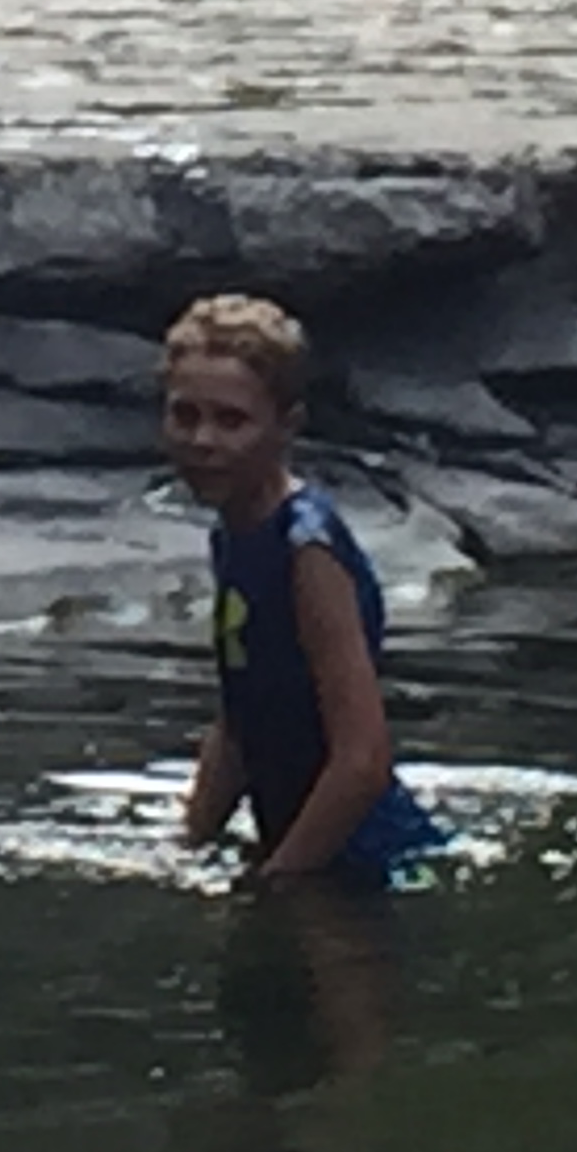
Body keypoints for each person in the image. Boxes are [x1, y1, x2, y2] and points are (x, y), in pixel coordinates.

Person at [161, 293, 443, 890]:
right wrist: (188, 847)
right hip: (297, 848)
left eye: (231, 420)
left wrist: (278, 882)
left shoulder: (306, 550)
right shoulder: (233, 534)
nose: (202, 439)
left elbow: (363, 760)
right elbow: (239, 722)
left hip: (364, 860)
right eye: (185, 415)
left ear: (286, 426)